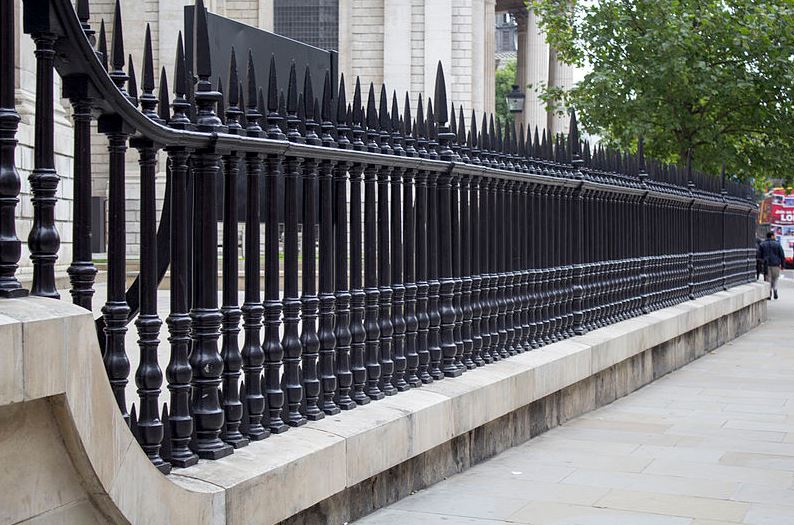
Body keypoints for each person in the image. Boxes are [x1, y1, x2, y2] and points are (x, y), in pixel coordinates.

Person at [757, 231, 786, 300]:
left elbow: (759, 255)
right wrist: (783, 265)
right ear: (772, 236)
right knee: (775, 278)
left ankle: (769, 293)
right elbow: (782, 255)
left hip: (766, 264)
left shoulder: (762, 244)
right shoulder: (777, 244)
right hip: (776, 264)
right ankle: (775, 290)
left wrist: (761, 263)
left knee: (768, 279)